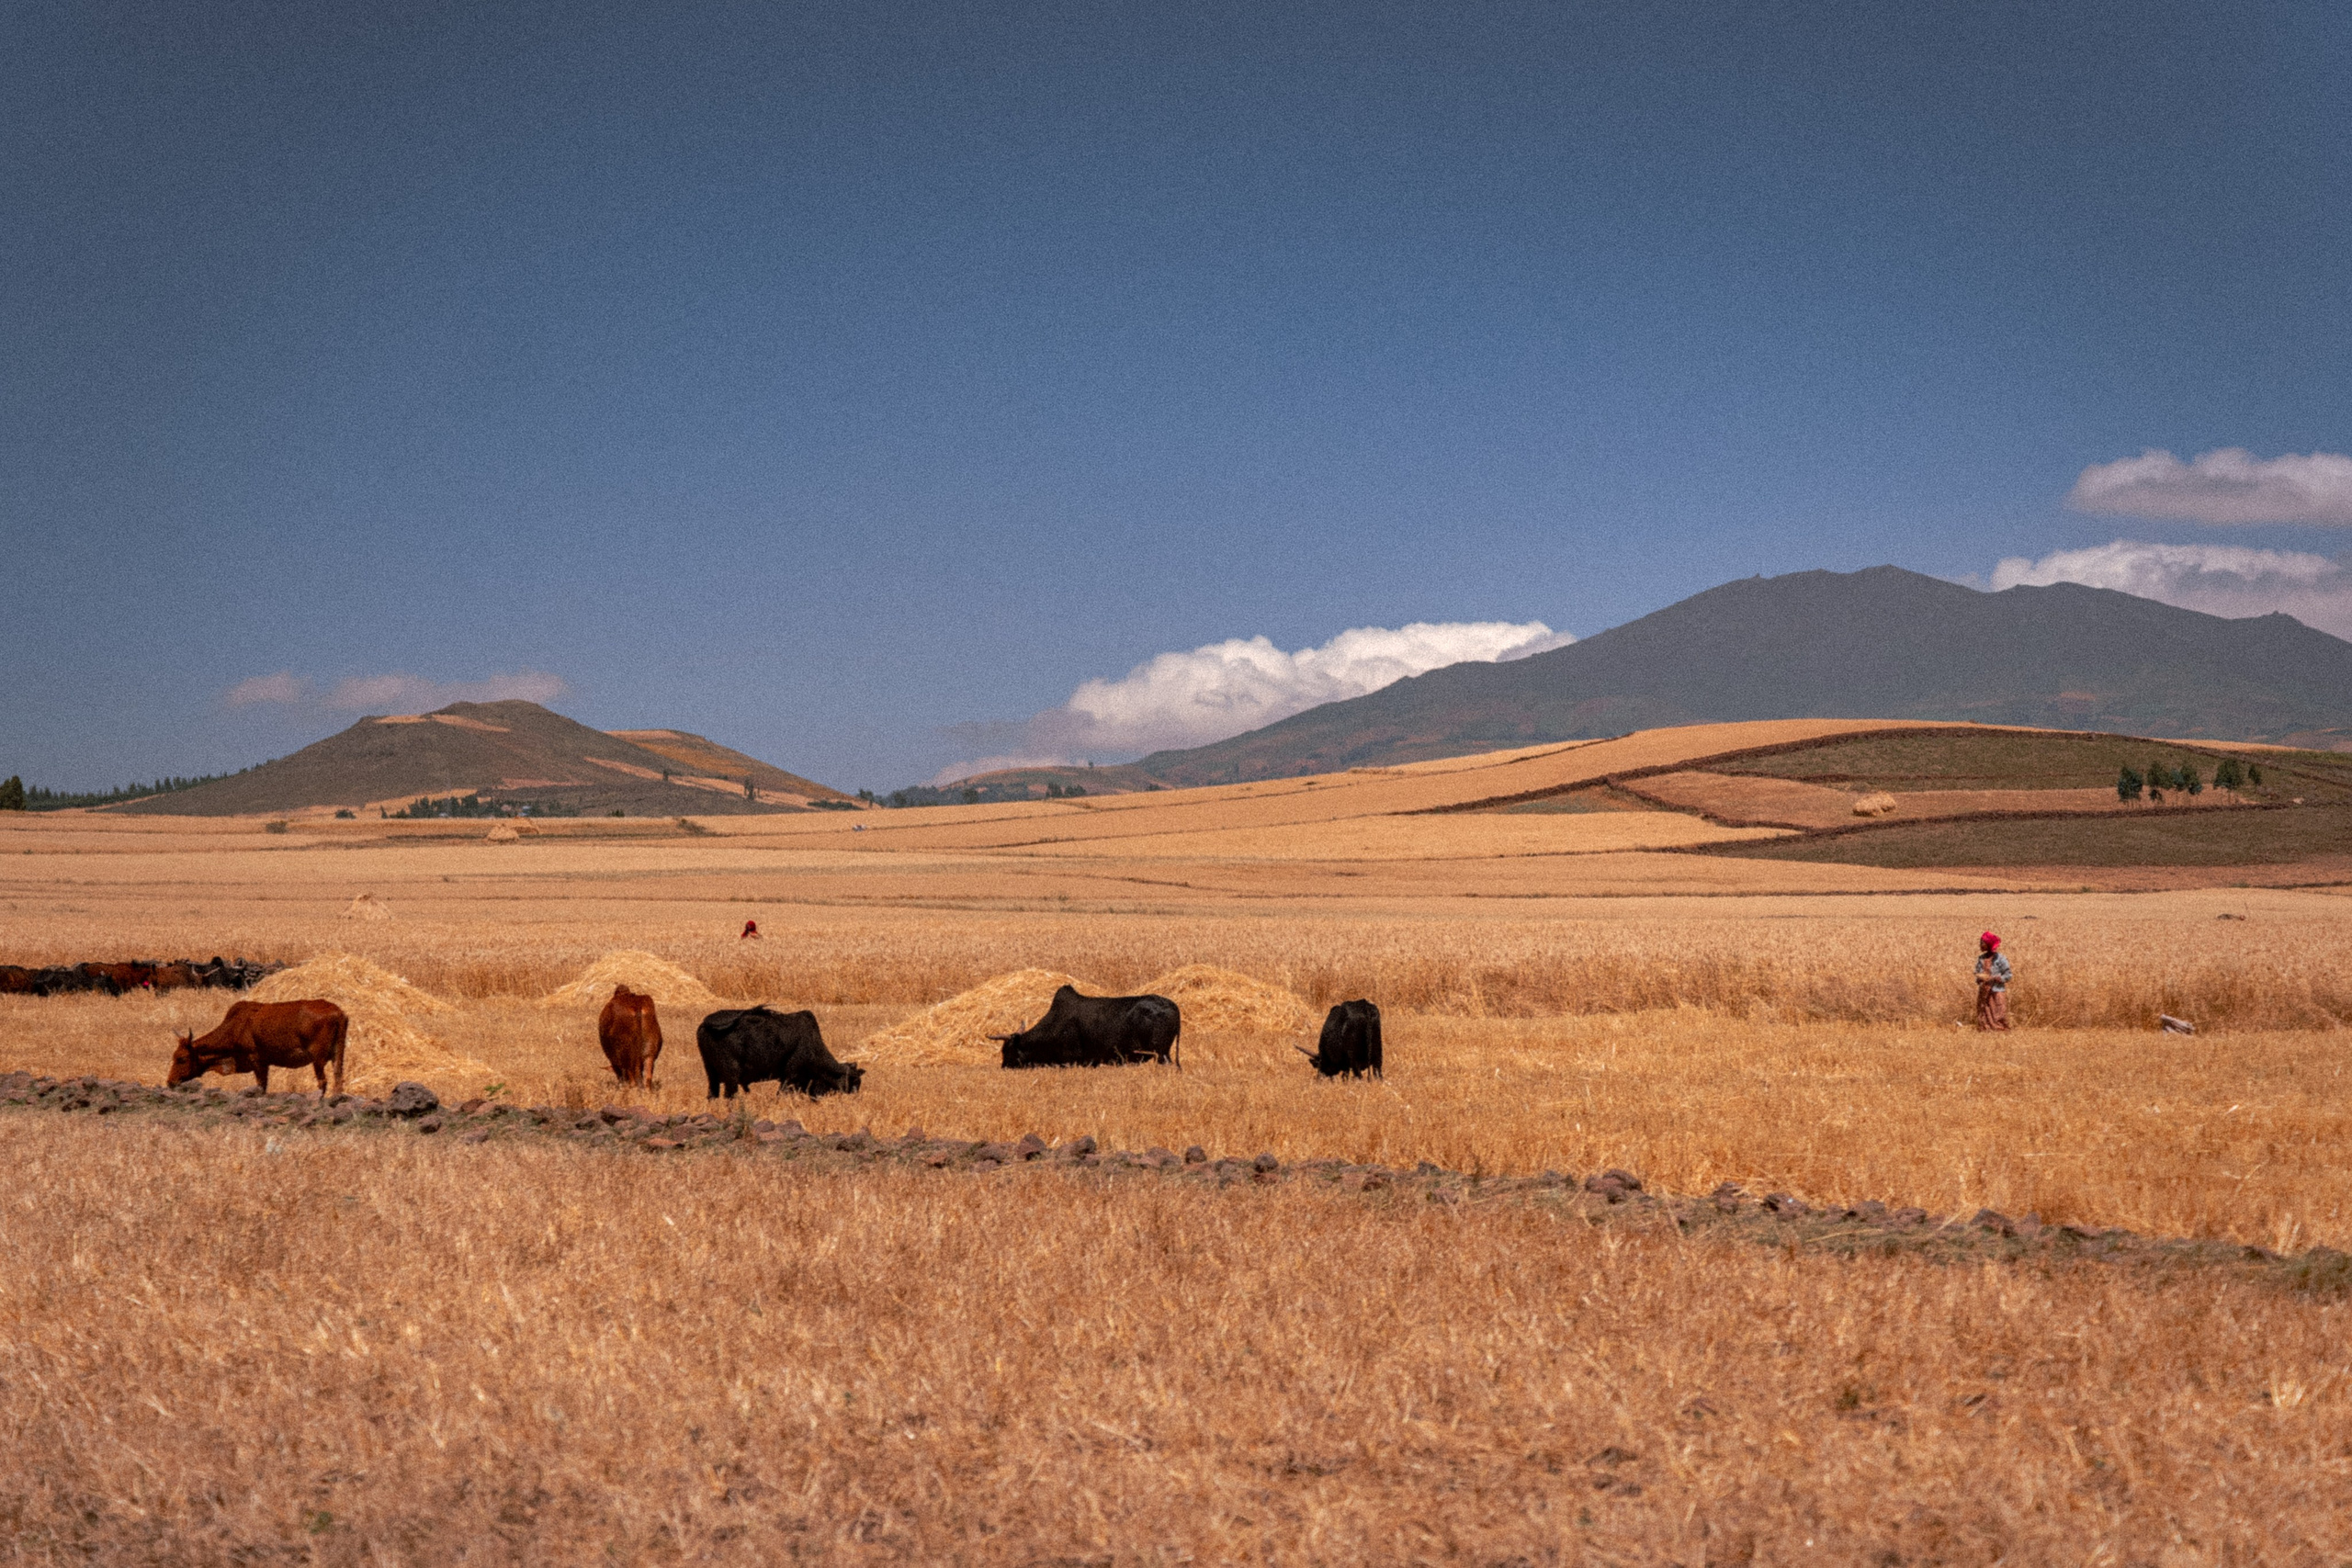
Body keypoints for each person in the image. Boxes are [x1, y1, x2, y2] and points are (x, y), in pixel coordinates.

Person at [1973, 931, 2011, 1032]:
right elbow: (1977, 972)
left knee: (1998, 1010)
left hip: (1996, 989)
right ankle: (1985, 1028)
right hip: (1984, 990)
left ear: (1989, 944)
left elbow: (2008, 975)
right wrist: (1979, 977)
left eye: (1982, 942)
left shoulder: (2001, 959)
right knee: (1984, 1010)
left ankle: (1999, 1028)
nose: (1980, 945)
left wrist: (1997, 978)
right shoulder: (1981, 958)